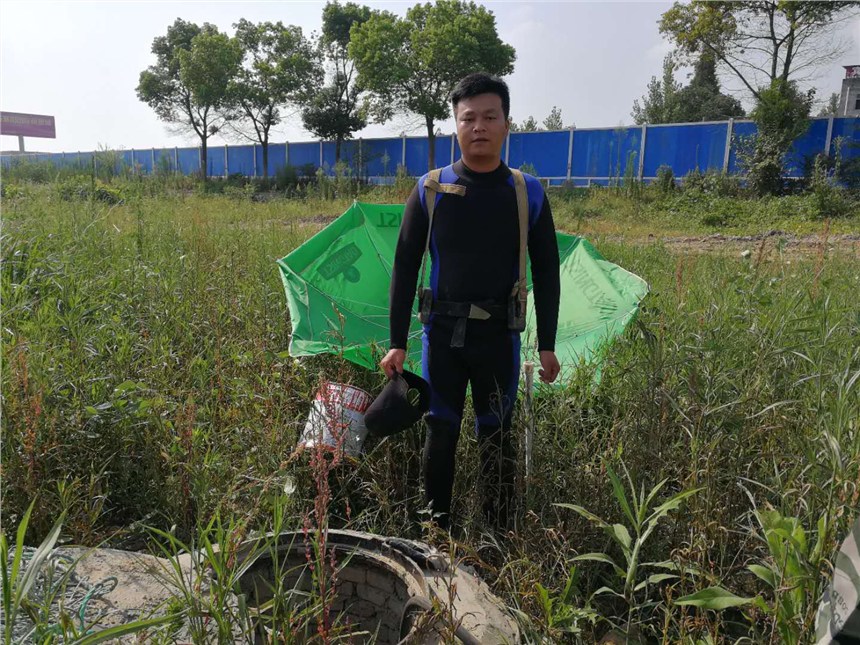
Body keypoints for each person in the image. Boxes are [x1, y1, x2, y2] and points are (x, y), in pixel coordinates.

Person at [380, 72, 561, 531]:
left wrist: (547, 344)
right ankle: (436, 533)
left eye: (489, 116)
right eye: (468, 118)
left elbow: (546, 270)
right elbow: (404, 267)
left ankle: (495, 539)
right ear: (455, 126)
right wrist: (397, 341)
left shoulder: (528, 192)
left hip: (500, 337)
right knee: (440, 431)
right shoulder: (429, 188)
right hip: (440, 336)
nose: (478, 126)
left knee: (496, 435)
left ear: (506, 123)